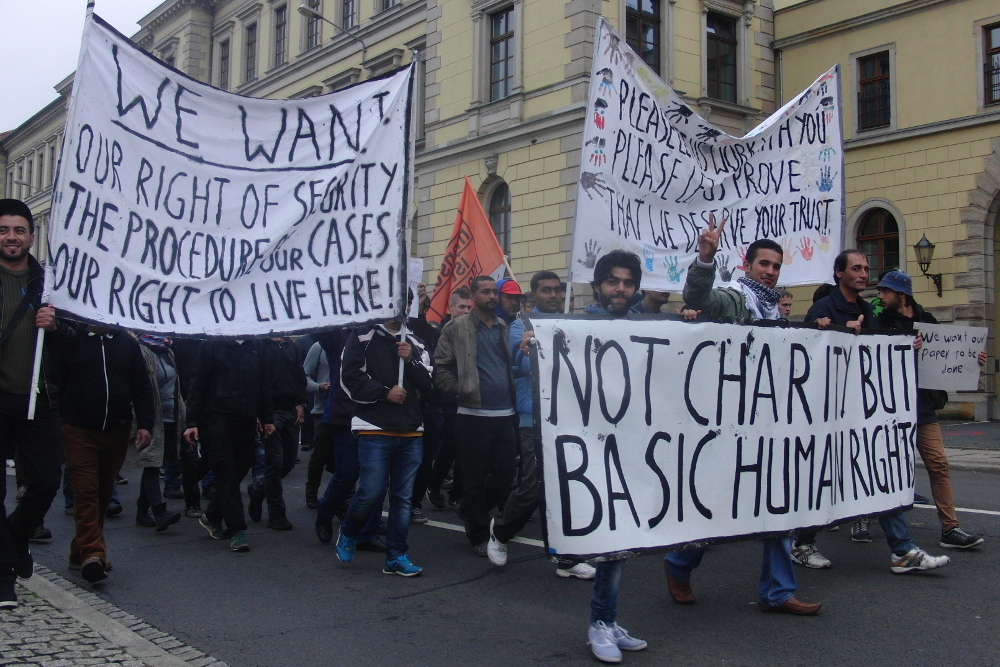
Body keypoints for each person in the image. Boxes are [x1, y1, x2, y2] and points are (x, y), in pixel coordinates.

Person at [670, 214, 822, 615]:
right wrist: (705, 258)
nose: (770, 272)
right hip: (732, 423)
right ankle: (680, 562)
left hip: (771, 423)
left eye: (776, 266)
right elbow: (700, 299)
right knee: (721, 503)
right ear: (747, 265)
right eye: (764, 265)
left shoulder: (775, 311)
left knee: (779, 504)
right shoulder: (736, 298)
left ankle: (777, 592)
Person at [800, 250, 951, 574]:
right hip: (830, 413)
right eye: (856, 268)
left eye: (866, 267)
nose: (864, 273)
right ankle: (802, 541)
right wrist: (834, 331)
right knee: (824, 476)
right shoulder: (823, 308)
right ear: (839, 273)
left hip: (862, 411)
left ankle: (902, 550)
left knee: (878, 472)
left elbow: (881, 352)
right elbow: (806, 352)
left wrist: (905, 346)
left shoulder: (868, 311)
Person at [565, 252, 648, 662]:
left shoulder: (643, 327)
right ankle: (599, 623)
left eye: (627, 282)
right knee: (609, 542)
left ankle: (608, 619)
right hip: (592, 450)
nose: (620, 289)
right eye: (613, 281)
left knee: (623, 543)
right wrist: (532, 347)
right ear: (598, 285)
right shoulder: (576, 326)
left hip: (633, 450)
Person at [486, 271, 594, 580]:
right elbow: (515, 369)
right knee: (533, 487)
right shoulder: (519, 328)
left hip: (567, 418)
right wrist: (526, 350)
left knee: (568, 488)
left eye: (556, 290)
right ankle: (502, 532)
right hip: (534, 418)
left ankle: (567, 558)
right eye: (545, 290)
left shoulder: (570, 325)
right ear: (533, 296)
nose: (552, 295)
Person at [876, 270, 985, 549]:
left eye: (885, 292)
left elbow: (949, 353)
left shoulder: (926, 320)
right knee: (892, 469)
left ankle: (950, 528)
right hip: (892, 409)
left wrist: (974, 359)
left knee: (938, 464)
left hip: (922, 407)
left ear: (901, 295)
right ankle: (878, 524)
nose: (880, 296)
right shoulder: (881, 323)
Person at [0, 199, 67, 608]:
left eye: (19, 230)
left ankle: (16, 537)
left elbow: (72, 344)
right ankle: (3, 572)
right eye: (4, 230)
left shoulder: (51, 283)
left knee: (45, 481)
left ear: (31, 235)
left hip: (38, 398)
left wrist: (56, 327)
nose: (11, 237)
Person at [335, 318, 433, 577]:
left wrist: (411, 360)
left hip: (411, 428)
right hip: (374, 426)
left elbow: (429, 385)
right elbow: (349, 378)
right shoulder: (361, 336)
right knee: (371, 490)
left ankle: (396, 555)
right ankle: (349, 530)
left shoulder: (416, 342)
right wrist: (384, 392)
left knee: (402, 499)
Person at [57, 323, 155, 583]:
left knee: (102, 491)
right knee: (86, 491)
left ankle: (79, 551)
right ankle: (93, 554)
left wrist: (145, 424)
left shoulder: (127, 343)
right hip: (78, 428)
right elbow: (56, 379)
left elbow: (141, 385)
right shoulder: (72, 339)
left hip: (116, 428)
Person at [434, 276, 518, 556]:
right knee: (473, 476)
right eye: (486, 292)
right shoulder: (456, 327)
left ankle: (470, 508)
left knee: (506, 473)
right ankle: (479, 534)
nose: (492, 296)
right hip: (472, 413)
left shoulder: (503, 326)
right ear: (473, 296)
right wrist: (461, 390)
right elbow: (442, 367)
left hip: (505, 412)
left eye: (495, 292)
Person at [184, 340, 275, 553]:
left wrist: (267, 417)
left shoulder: (255, 345)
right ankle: (237, 531)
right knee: (226, 472)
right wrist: (192, 423)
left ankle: (212, 515)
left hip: (246, 420)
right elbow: (198, 383)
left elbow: (263, 383)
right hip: (217, 420)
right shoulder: (212, 346)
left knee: (242, 468)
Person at [314, 331, 386, 552]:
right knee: (348, 473)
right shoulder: (339, 333)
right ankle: (325, 513)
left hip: (377, 411)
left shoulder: (382, 332)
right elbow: (320, 325)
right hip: (345, 414)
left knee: (376, 473)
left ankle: (367, 532)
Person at [248, 338, 308, 531]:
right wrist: (258, 412)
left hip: (290, 409)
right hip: (270, 411)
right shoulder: (258, 345)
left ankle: (258, 488)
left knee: (288, 461)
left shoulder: (292, 346)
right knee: (274, 461)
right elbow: (253, 379)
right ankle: (276, 513)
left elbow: (300, 376)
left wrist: (301, 403)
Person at [425, 287, 473, 510]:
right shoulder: (439, 331)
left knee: (467, 444)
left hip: (470, 394)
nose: (465, 311)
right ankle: (434, 483)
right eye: (461, 306)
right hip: (447, 395)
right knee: (452, 442)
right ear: (451, 307)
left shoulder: (475, 330)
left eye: (468, 307)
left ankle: (458, 490)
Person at [133, 334, 184, 533]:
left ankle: (141, 511)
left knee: (155, 462)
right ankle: (159, 511)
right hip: (151, 418)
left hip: (171, 416)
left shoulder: (168, 351)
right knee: (152, 462)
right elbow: (140, 386)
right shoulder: (141, 351)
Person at [303, 340, 331, 509]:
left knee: (347, 459)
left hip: (348, 412)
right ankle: (311, 493)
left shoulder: (354, 344)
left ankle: (346, 497)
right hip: (323, 411)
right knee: (319, 456)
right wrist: (318, 386)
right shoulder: (319, 346)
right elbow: (304, 376)